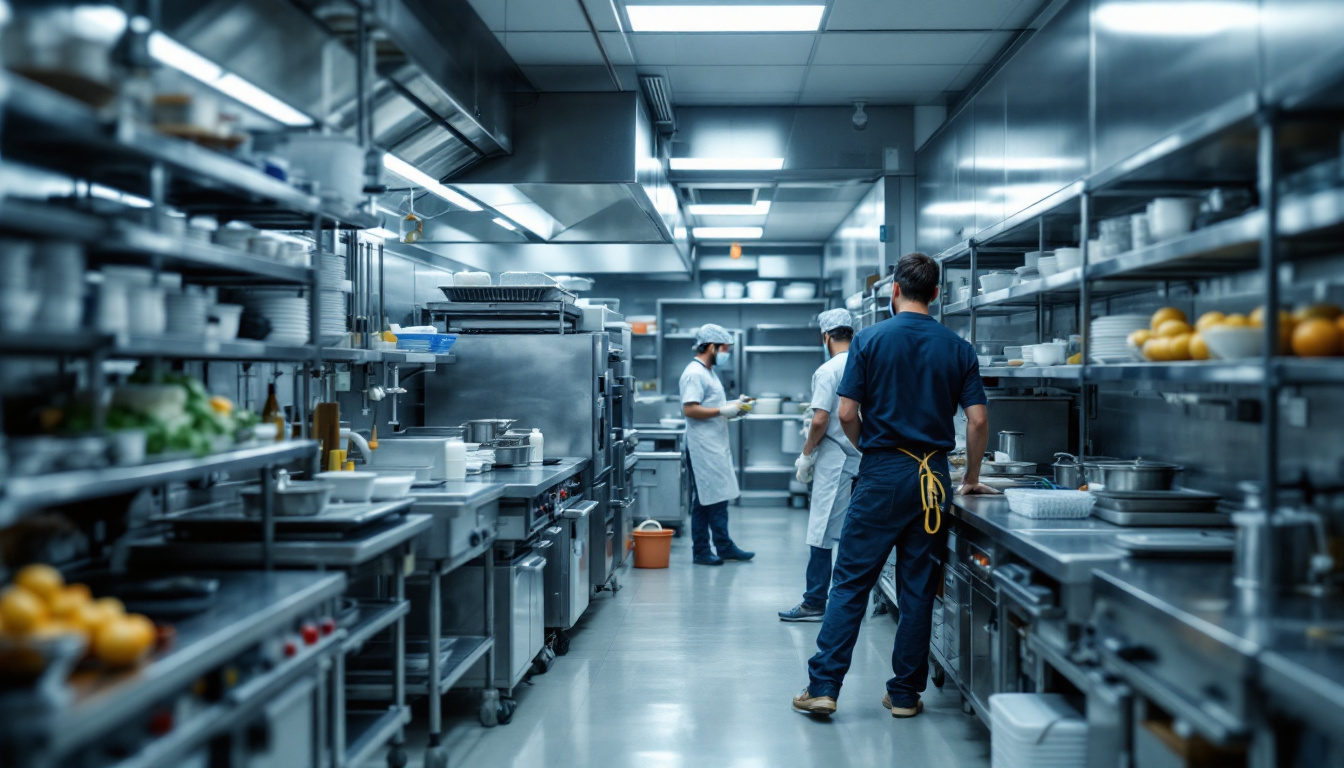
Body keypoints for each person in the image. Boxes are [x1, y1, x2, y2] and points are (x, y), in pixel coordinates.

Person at [793, 252, 996, 718]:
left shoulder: (868, 341)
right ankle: (905, 694)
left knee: (849, 583)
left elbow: (845, 413)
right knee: (918, 587)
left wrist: (876, 450)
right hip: (933, 480)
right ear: (937, 294)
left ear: (895, 291)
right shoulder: (959, 347)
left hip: (883, 471)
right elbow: (979, 421)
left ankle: (824, 688)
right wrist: (970, 478)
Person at [779, 309, 862, 622]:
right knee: (852, 532)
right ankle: (850, 600)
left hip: (836, 459)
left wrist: (806, 453)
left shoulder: (828, 370)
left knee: (821, 532)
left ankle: (815, 602)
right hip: (861, 456)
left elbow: (821, 418)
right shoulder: (864, 363)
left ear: (825, 337)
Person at [679, 323, 756, 566]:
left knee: (718, 496)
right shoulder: (694, 372)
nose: (726, 353)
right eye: (725, 348)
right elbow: (690, 409)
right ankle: (702, 550)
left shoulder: (709, 372)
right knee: (704, 499)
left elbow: (709, 404)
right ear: (711, 346)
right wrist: (723, 410)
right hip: (702, 447)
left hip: (714, 444)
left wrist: (735, 406)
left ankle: (723, 546)